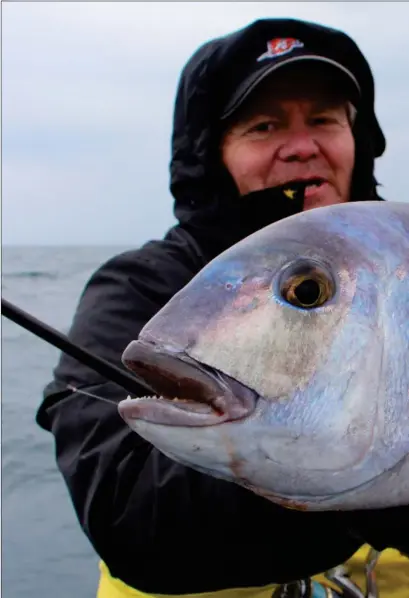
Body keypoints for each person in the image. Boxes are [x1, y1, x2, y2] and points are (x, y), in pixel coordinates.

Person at [36, 18, 408, 598]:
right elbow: (126, 511)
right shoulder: (138, 287)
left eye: (324, 119)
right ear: (213, 154)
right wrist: (367, 495)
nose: (302, 145)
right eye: (264, 125)